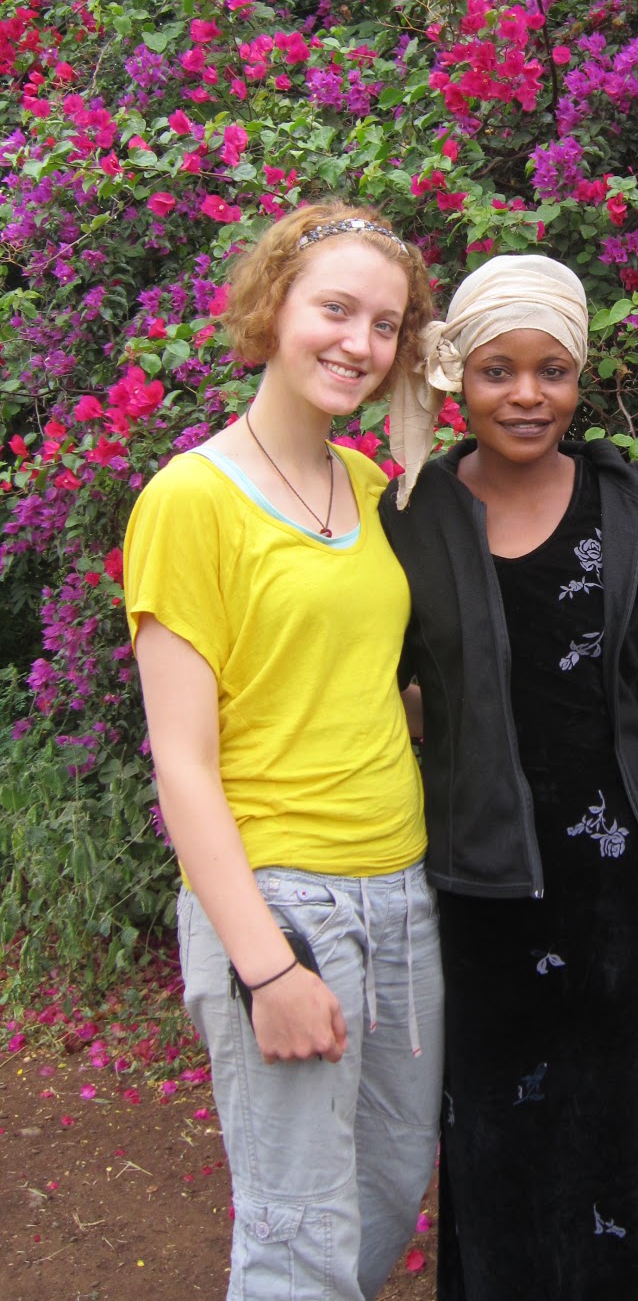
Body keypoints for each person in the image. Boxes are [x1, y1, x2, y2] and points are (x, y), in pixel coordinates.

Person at [380, 252, 638, 1301]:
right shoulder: (411, 516)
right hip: (486, 888)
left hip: (632, 887)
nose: (527, 396)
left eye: (553, 371)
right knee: (508, 1143)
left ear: (580, 377)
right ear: (458, 378)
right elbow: (378, 683)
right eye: (498, 371)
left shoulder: (623, 505)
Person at [124, 203, 444, 1301]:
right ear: (272, 309)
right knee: (298, 1232)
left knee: (389, 1191)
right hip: (283, 899)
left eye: (387, 325)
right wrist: (265, 964)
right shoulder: (191, 500)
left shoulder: (370, 486)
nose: (361, 343)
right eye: (336, 310)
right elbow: (182, 761)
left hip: (401, 888)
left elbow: (375, 687)